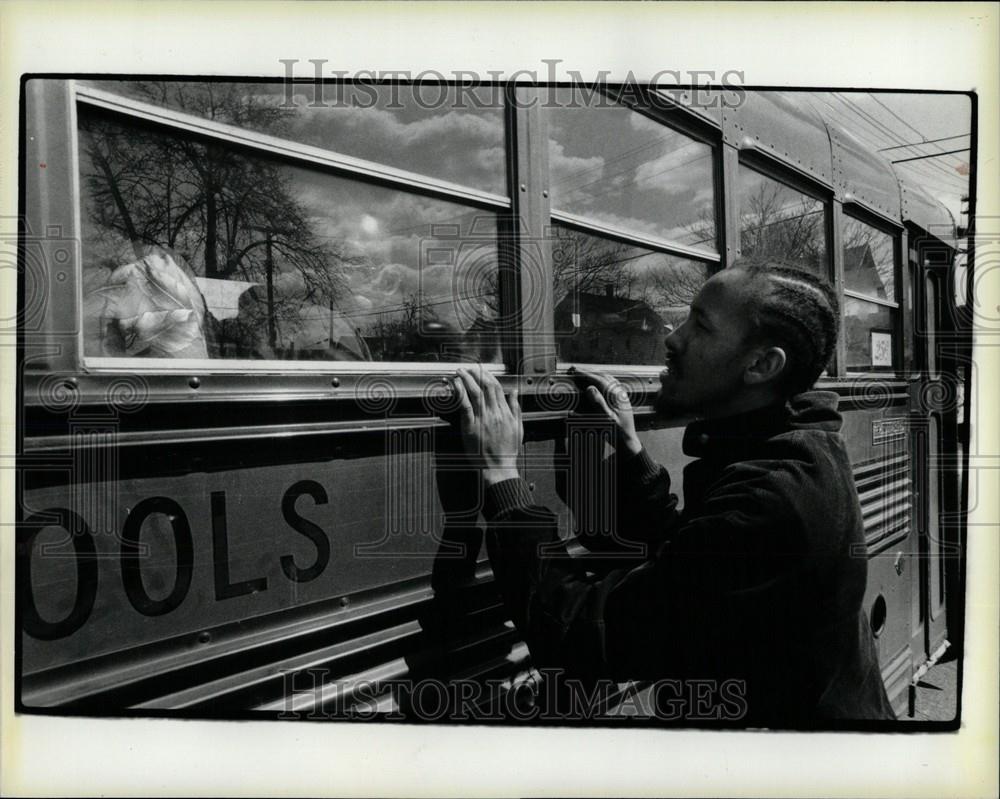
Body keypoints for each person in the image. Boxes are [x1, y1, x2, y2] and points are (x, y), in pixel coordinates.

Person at [444, 261, 895, 725]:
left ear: (761, 365)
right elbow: (692, 561)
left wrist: (501, 475)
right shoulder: (796, 448)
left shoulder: (775, 497)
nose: (672, 338)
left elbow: (584, 639)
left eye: (700, 326)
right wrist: (631, 447)